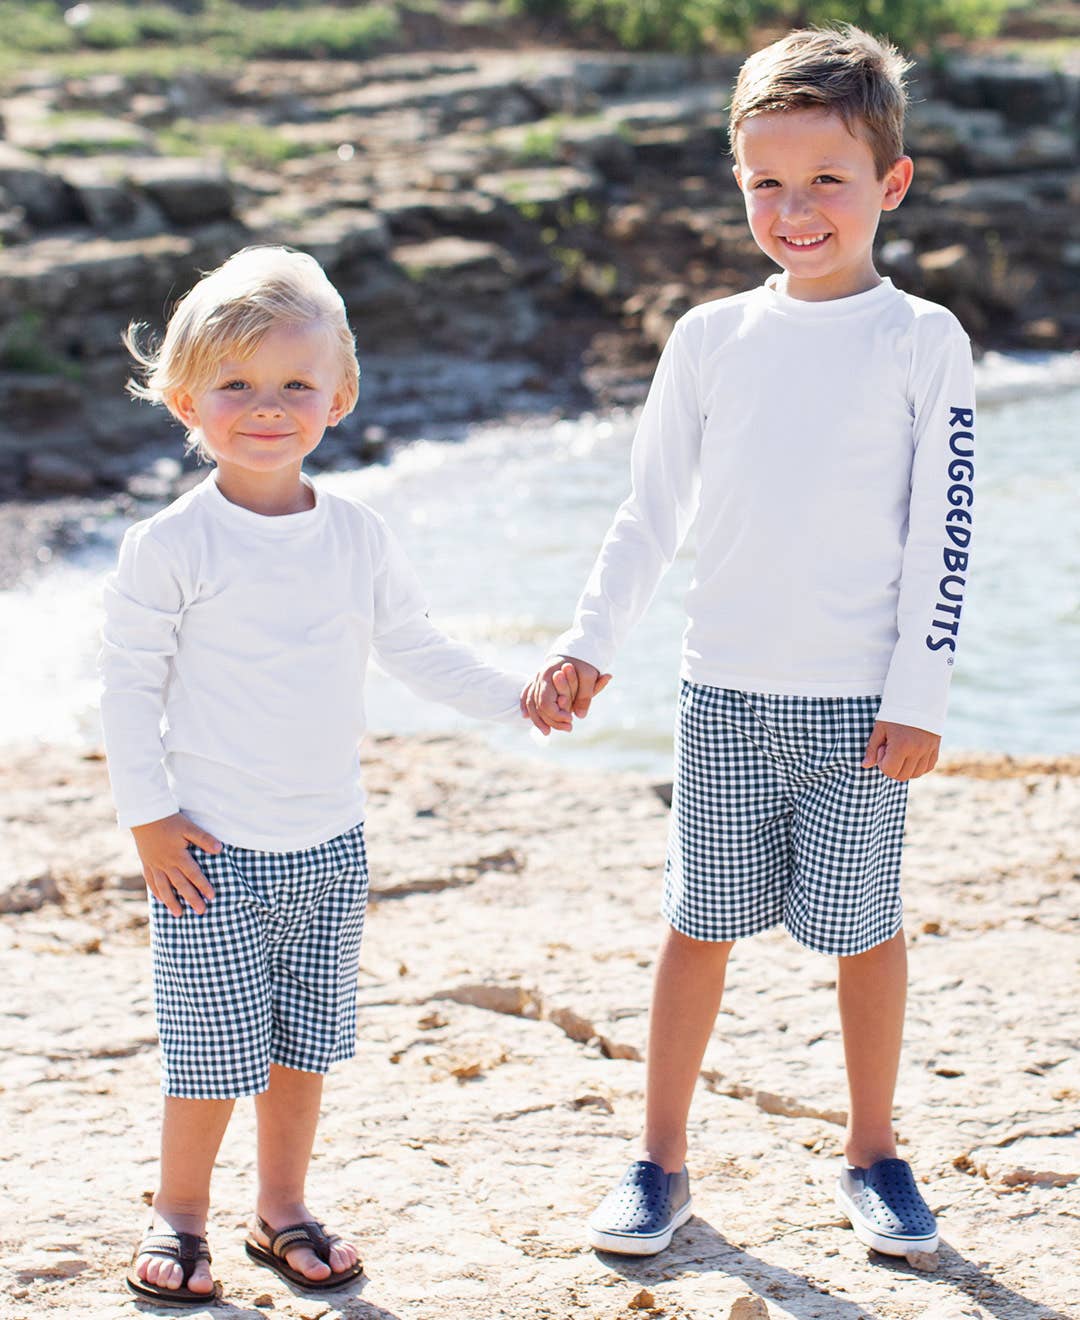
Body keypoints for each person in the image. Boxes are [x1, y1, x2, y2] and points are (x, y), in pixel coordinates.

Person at [523, 26, 975, 1259]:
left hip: (858, 707)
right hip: (721, 691)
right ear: (738, 183)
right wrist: (589, 643)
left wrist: (920, 693)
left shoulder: (922, 341)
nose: (795, 208)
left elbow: (946, 531)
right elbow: (650, 508)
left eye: (827, 179)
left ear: (891, 184)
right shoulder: (710, 338)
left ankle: (875, 1152)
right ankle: (658, 1161)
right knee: (697, 924)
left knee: (865, 928)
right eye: (767, 181)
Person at [101, 246, 527, 1303]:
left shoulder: (356, 536)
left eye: (295, 384)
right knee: (209, 1057)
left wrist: (518, 695)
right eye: (236, 386)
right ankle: (181, 1214)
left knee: (302, 1047)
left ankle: (280, 1208)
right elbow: (125, 691)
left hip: (329, 845)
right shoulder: (171, 546)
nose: (266, 407)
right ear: (185, 399)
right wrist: (148, 820)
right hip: (208, 850)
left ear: (338, 397)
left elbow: (418, 650)